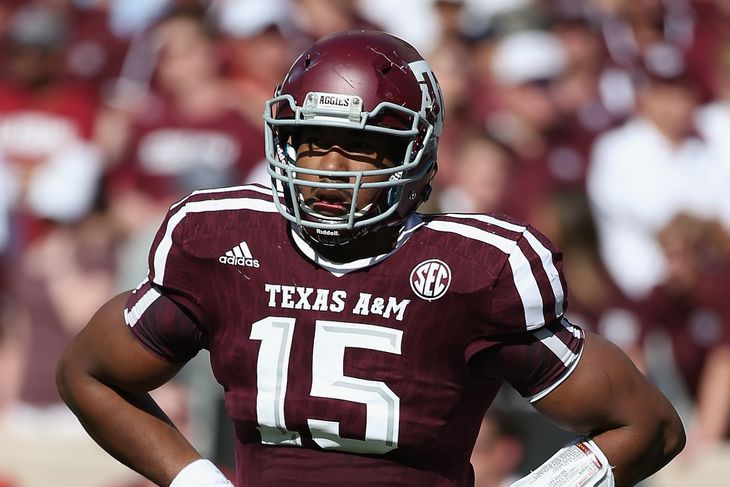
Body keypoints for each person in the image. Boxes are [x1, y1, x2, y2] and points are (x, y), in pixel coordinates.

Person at [56, 30, 684, 487]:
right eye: (312, 144)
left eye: (360, 148)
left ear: (417, 157)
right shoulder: (223, 239)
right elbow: (89, 374)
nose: (330, 172)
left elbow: (647, 426)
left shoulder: (475, 269)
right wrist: (198, 480)